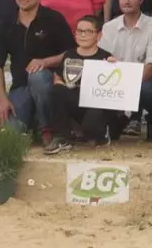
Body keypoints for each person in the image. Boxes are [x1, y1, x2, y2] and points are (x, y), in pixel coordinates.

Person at [0, 0, 76, 145]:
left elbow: (71, 53)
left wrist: (45, 62)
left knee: (37, 75)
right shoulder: (6, 23)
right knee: (8, 134)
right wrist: (3, 99)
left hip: (49, 86)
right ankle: (32, 124)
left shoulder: (53, 19)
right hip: (21, 88)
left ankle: (47, 129)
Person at [99, 0, 152, 141]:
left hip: (144, 81)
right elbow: (101, 61)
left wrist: (127, 87)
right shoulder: (109, 27)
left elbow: (151, 66)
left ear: (141, 0)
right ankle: (120, 119)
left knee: (149, 89)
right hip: (115, 83)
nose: (126, 1)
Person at [45, 15, 113, 155]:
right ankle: (62, 137)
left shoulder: (106, 57)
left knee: (90, 129)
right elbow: (59, 77)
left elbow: (113, 87)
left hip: (94, 104)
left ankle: (100, 134)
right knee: (56, 91)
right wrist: (59, 85)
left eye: (88, 31)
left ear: (98, 35)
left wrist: (114, 67)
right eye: (79, 31)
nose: (83, 35)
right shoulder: (69, 54)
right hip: (75, 100)